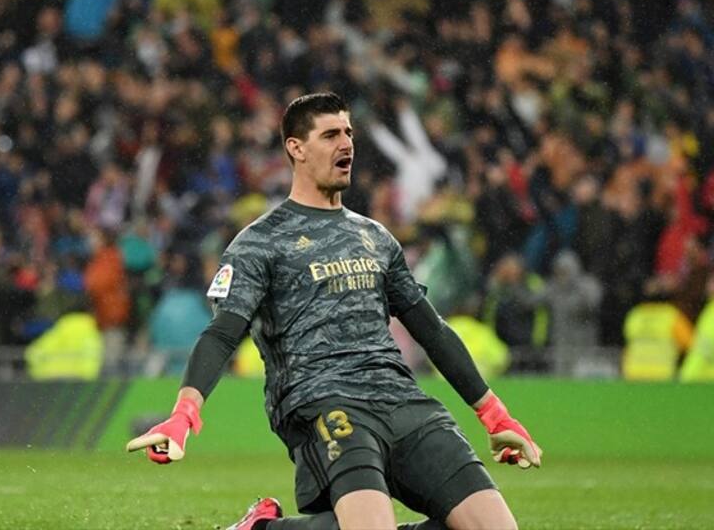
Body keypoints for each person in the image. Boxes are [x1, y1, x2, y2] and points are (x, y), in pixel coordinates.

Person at [127, 93, 541, 530]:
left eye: (348, 133)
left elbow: (431, 330)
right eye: (330, 135)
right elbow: (222, 334)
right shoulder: (259, 243)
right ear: (296, 148)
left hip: (405, 402)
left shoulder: (376, 238)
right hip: (326, 403)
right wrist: (184, 414)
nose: (346, 144)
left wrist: (494, 414)